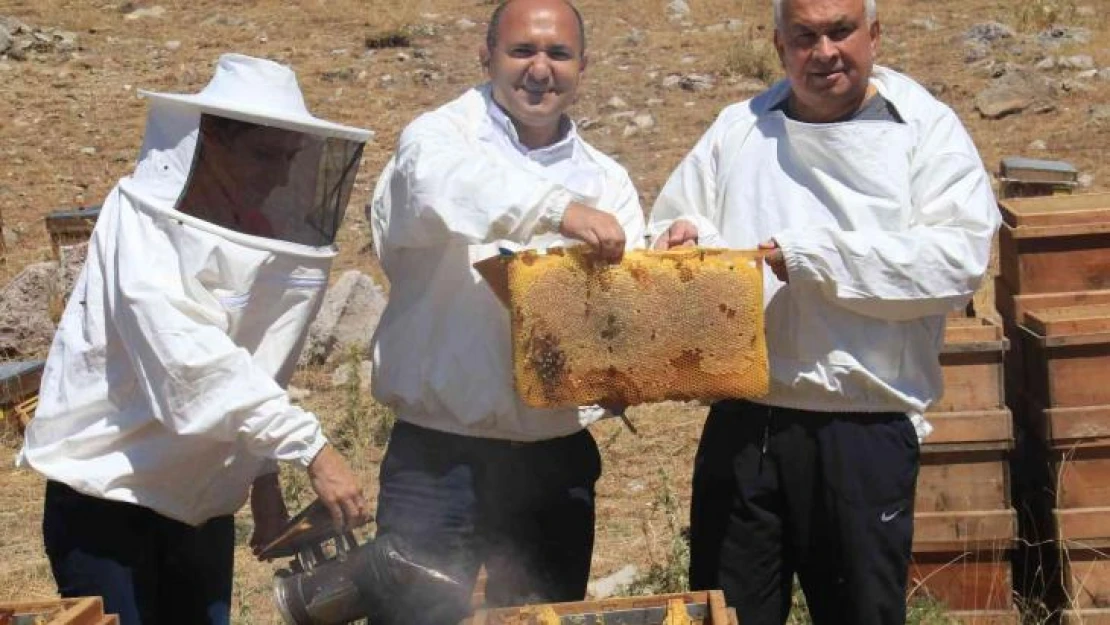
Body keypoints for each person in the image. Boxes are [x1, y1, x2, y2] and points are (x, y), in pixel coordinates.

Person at [649, 0, 1000, 622]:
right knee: (727, 613)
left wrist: (814, 256)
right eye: (805, 36)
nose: (825, 52)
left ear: (875, 35)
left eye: (841, 32)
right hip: (744, 418)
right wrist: (680, 241)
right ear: (779, 45)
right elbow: (674, 223)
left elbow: (955, 261)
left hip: (861, 423)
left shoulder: (926, 130)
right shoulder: (738, 128)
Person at [18, 54, 373, 625]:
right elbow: (188, 362)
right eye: (263, 154)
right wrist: (311, 447)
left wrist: (261, 480)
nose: (280, 176)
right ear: (212, 142)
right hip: (109, 500)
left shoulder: (257, 231)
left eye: (289, 159)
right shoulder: (141, 223)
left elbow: (251, 367)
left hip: (201, 507)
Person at [366, 0, 645, 622]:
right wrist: (561, 213)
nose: (539, 69)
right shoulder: (436, 140)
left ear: (583, 65)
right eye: (522, 51)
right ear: (486, 55)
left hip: (554, 455)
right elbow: (442, 187)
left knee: (544, 616)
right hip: (440, 458)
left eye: (558, 54)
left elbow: (626, 309)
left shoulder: (608, 179)